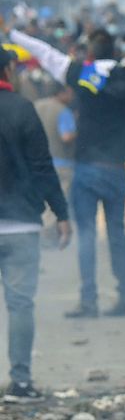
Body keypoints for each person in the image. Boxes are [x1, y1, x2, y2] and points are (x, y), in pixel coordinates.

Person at [4, 24, 125, 317]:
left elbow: (45, 52)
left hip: (87, 168)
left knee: (87, 235)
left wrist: (12, 32)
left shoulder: (79, 73)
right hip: (116, 169)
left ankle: (88, 301)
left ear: (89, 52)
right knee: (116, 234)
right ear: (115, 51)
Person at [0, 46, 72, 403]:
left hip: (21, 223)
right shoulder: (21, 109)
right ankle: (21, 382)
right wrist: (61, 213)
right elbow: (42, 166)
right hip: (20, 226)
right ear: (10, 69)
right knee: (20, 305)